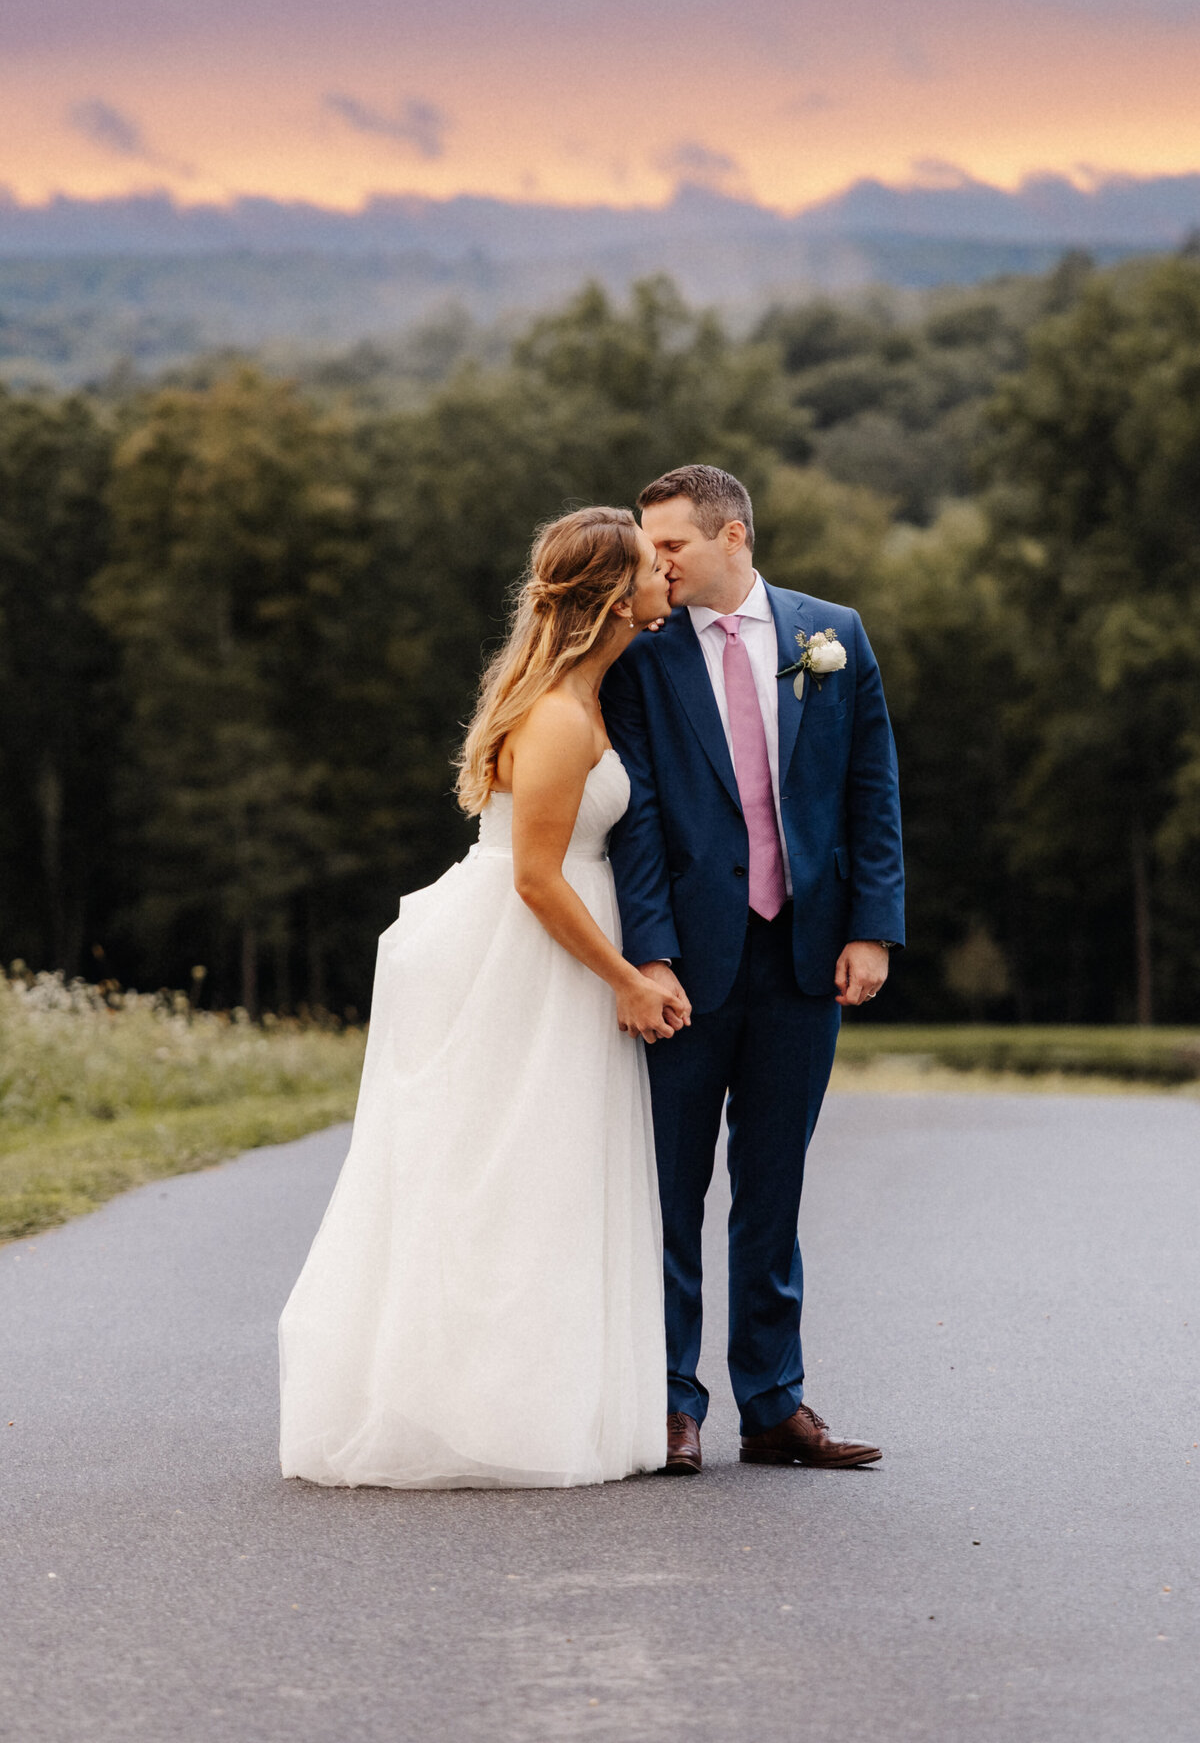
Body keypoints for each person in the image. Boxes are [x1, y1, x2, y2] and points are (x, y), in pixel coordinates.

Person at [279, 506, 682, 1489]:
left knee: (539, 1175)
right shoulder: (553, 715)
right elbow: (536, 876)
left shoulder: (584, 698)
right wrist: (625, 978)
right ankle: (477, 1413)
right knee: (504, 1171)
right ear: (612, 597)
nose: (668, 576)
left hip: (554, 950)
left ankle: (530, 1398)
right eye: (650, 566)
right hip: (529, 956)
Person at [601, 464, 904, 1475]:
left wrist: (873, 928)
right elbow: (636, 818)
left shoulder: (835, 636)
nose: (656, 562)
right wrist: (649, 952)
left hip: (805, 955)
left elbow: (871, 790)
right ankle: (673, 1402)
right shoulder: (641, 657)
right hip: (686, 961)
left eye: (671, 545)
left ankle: (774, 1404)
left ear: (733, 538)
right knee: (672, 1189)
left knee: (773, 1187)